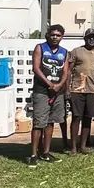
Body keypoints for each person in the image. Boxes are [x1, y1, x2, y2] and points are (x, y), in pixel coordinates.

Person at [28, 24, 69, 166]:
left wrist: (58, 86)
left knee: (51, 121)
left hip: (57, 91)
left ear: (62, 37)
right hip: (42, 90)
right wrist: (49, 84)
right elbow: (36, 68)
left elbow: (65, 72)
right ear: (48, 35)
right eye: (53, 35)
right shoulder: (40, 47)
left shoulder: (64, 52)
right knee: (39, 122)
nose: (55, 37)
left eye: (58, 35)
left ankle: (45, 152)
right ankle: (33, 154)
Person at [67, 28, 94, 154]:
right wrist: (67, 88)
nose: (92, 39)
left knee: (88, 118)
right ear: (85, 38)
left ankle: (83, 145)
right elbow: (69, 70)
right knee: (76, 117)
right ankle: (73, 146)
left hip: (93, 90)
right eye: (89, 37)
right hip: (77, 89)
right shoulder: (76, 51)